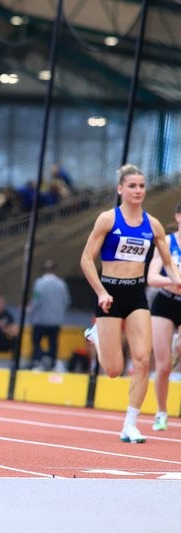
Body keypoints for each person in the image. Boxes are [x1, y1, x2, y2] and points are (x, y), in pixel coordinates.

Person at [80, 164, 181, 444]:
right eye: (132, 186)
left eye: (142, 186)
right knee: (113, 369)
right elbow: (86, 259)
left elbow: (169, 261)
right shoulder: (107, 220)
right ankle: (97, 337)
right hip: (110, 294)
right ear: (120, 189)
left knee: (142, 360)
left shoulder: (154, 225)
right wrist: (100, 291)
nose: (138, 190)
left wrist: (176, 278)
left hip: (136, 295)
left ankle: (130, 425)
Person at [146, 202, 181, 431]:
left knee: (177, 351)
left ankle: (177, 347)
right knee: (163, 365)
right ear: (178, 216)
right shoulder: (168, 242)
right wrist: (173, 281)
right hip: (165, 303)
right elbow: (151, 277)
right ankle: (161, 412)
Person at [28, 259, 71, 370]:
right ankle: (51, 363)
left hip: (40, 320)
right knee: (53, 344)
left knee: (36, 342)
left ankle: (40, 360)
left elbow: (36, 300)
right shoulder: (61, 284)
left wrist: (30, 310)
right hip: (55, 321)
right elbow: (67, 301)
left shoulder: (39, 283)